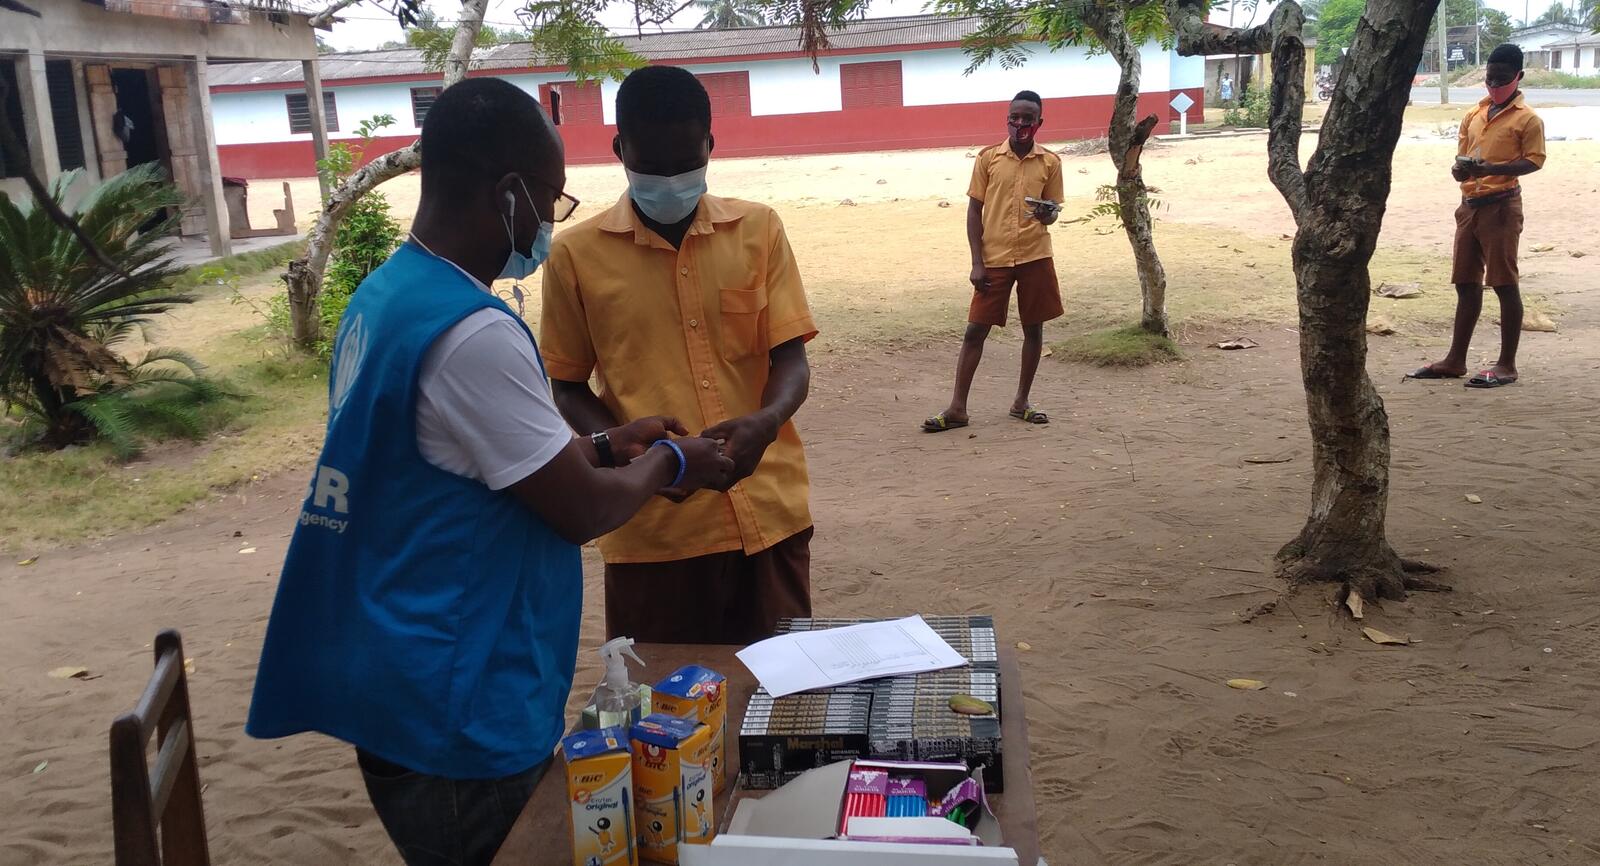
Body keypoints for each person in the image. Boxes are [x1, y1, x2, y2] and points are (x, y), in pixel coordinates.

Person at [245, 78, 733, 866]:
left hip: (397, 673)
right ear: (510, 193)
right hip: (453, 698)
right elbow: (579, 511)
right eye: (551, 200)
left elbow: (474, 462)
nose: (548, 223)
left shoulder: (391, 294)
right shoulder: (474, 331)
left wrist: (610, 444)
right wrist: (675, 459)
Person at [540, 65, 817, 646]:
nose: (669, 179)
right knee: (663, 717)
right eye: (651, 165)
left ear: (710, 146)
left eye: (685, 164)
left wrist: (766, 422)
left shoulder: (759, 229)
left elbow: (790, 357)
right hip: (652, 533)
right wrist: (640, 458)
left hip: (768, 514)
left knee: (779, 709)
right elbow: (567, 385)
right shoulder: (575, 256)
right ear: (620, 149)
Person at [923, 90, 1064, 433]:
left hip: (1035, 256)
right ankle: (957, 408)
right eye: (1014, 117)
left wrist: (1048, 216)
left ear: (1039, 123)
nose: (1020, 124)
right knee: (975, 330)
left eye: (1027, 119)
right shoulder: (988, 159)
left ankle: (1021, 402)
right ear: (1007, 119)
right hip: (994, 258)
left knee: (1034, 329)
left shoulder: (1050, 163)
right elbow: (974, 209)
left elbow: (1052, 211)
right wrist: (976, 261)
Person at [1408, 43, 1545, 389]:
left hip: (1502, 206)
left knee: (1503, 283)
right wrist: (1462, 171)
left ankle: (1506, 365)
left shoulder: (1528, 119)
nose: (1494, 84)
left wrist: (1493, 169)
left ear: (1518, 77)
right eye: (1490, 78)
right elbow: (1463, 155)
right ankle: (1455, 360)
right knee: (1466, 283)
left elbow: (1534, 161)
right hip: (1469, 207)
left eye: (1502, 79)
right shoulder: (1475, 114)